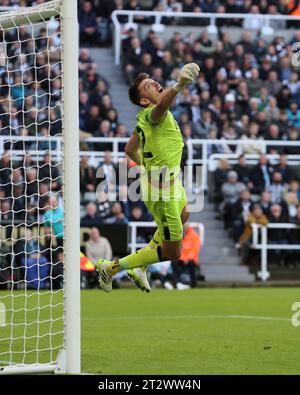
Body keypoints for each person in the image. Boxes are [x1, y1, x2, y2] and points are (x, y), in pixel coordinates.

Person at [97, 63, 200, 293]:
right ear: (144, 100)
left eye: (153, 80)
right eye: (148, 85)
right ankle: (112, 268)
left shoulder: (144, 119)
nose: (154, 82)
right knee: (174, 252)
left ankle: (139, 267)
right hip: (162, 191)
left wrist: (145, 164)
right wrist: (180, 84)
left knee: (185, 213)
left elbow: (129, 148)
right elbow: (162, 105)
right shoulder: (155, 114)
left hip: (170, 181)